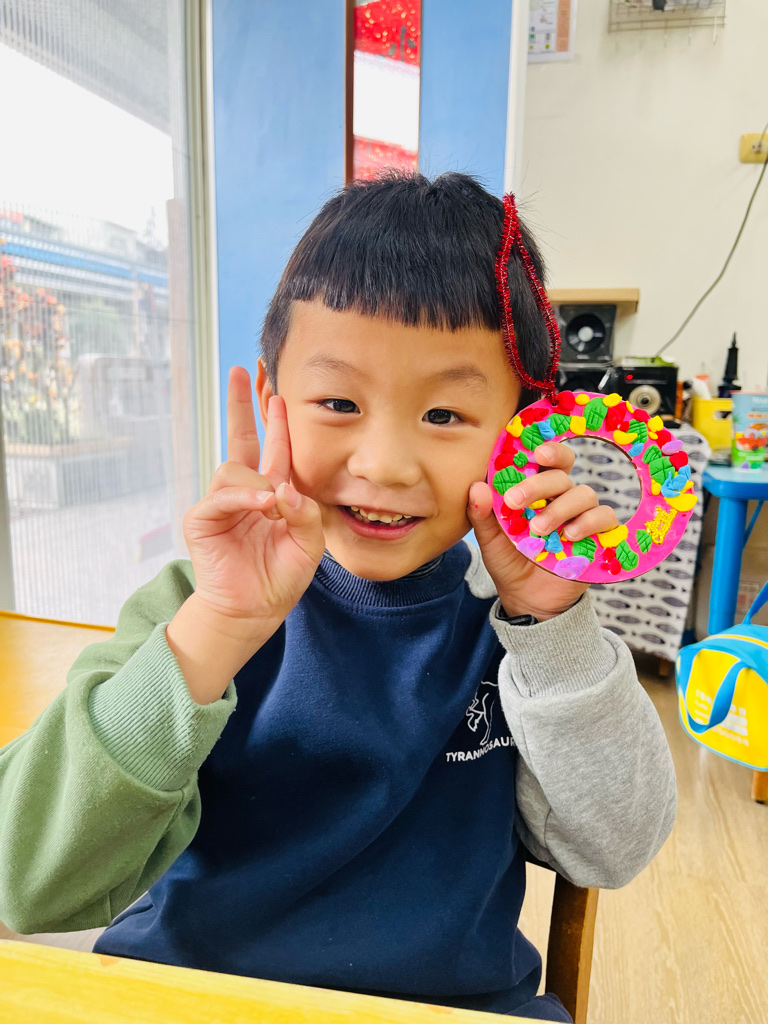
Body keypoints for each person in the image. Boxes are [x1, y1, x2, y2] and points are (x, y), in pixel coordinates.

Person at [0, 172, 676, 1021]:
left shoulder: (521, 632)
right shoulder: (193, 605)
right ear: (273, 404)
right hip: (193, 998)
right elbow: (27, 881)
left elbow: (615, 849)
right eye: (339, 402)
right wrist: (218, 627)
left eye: (445, 415)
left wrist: (554, 629)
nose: (384, 464)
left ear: (527, 429)